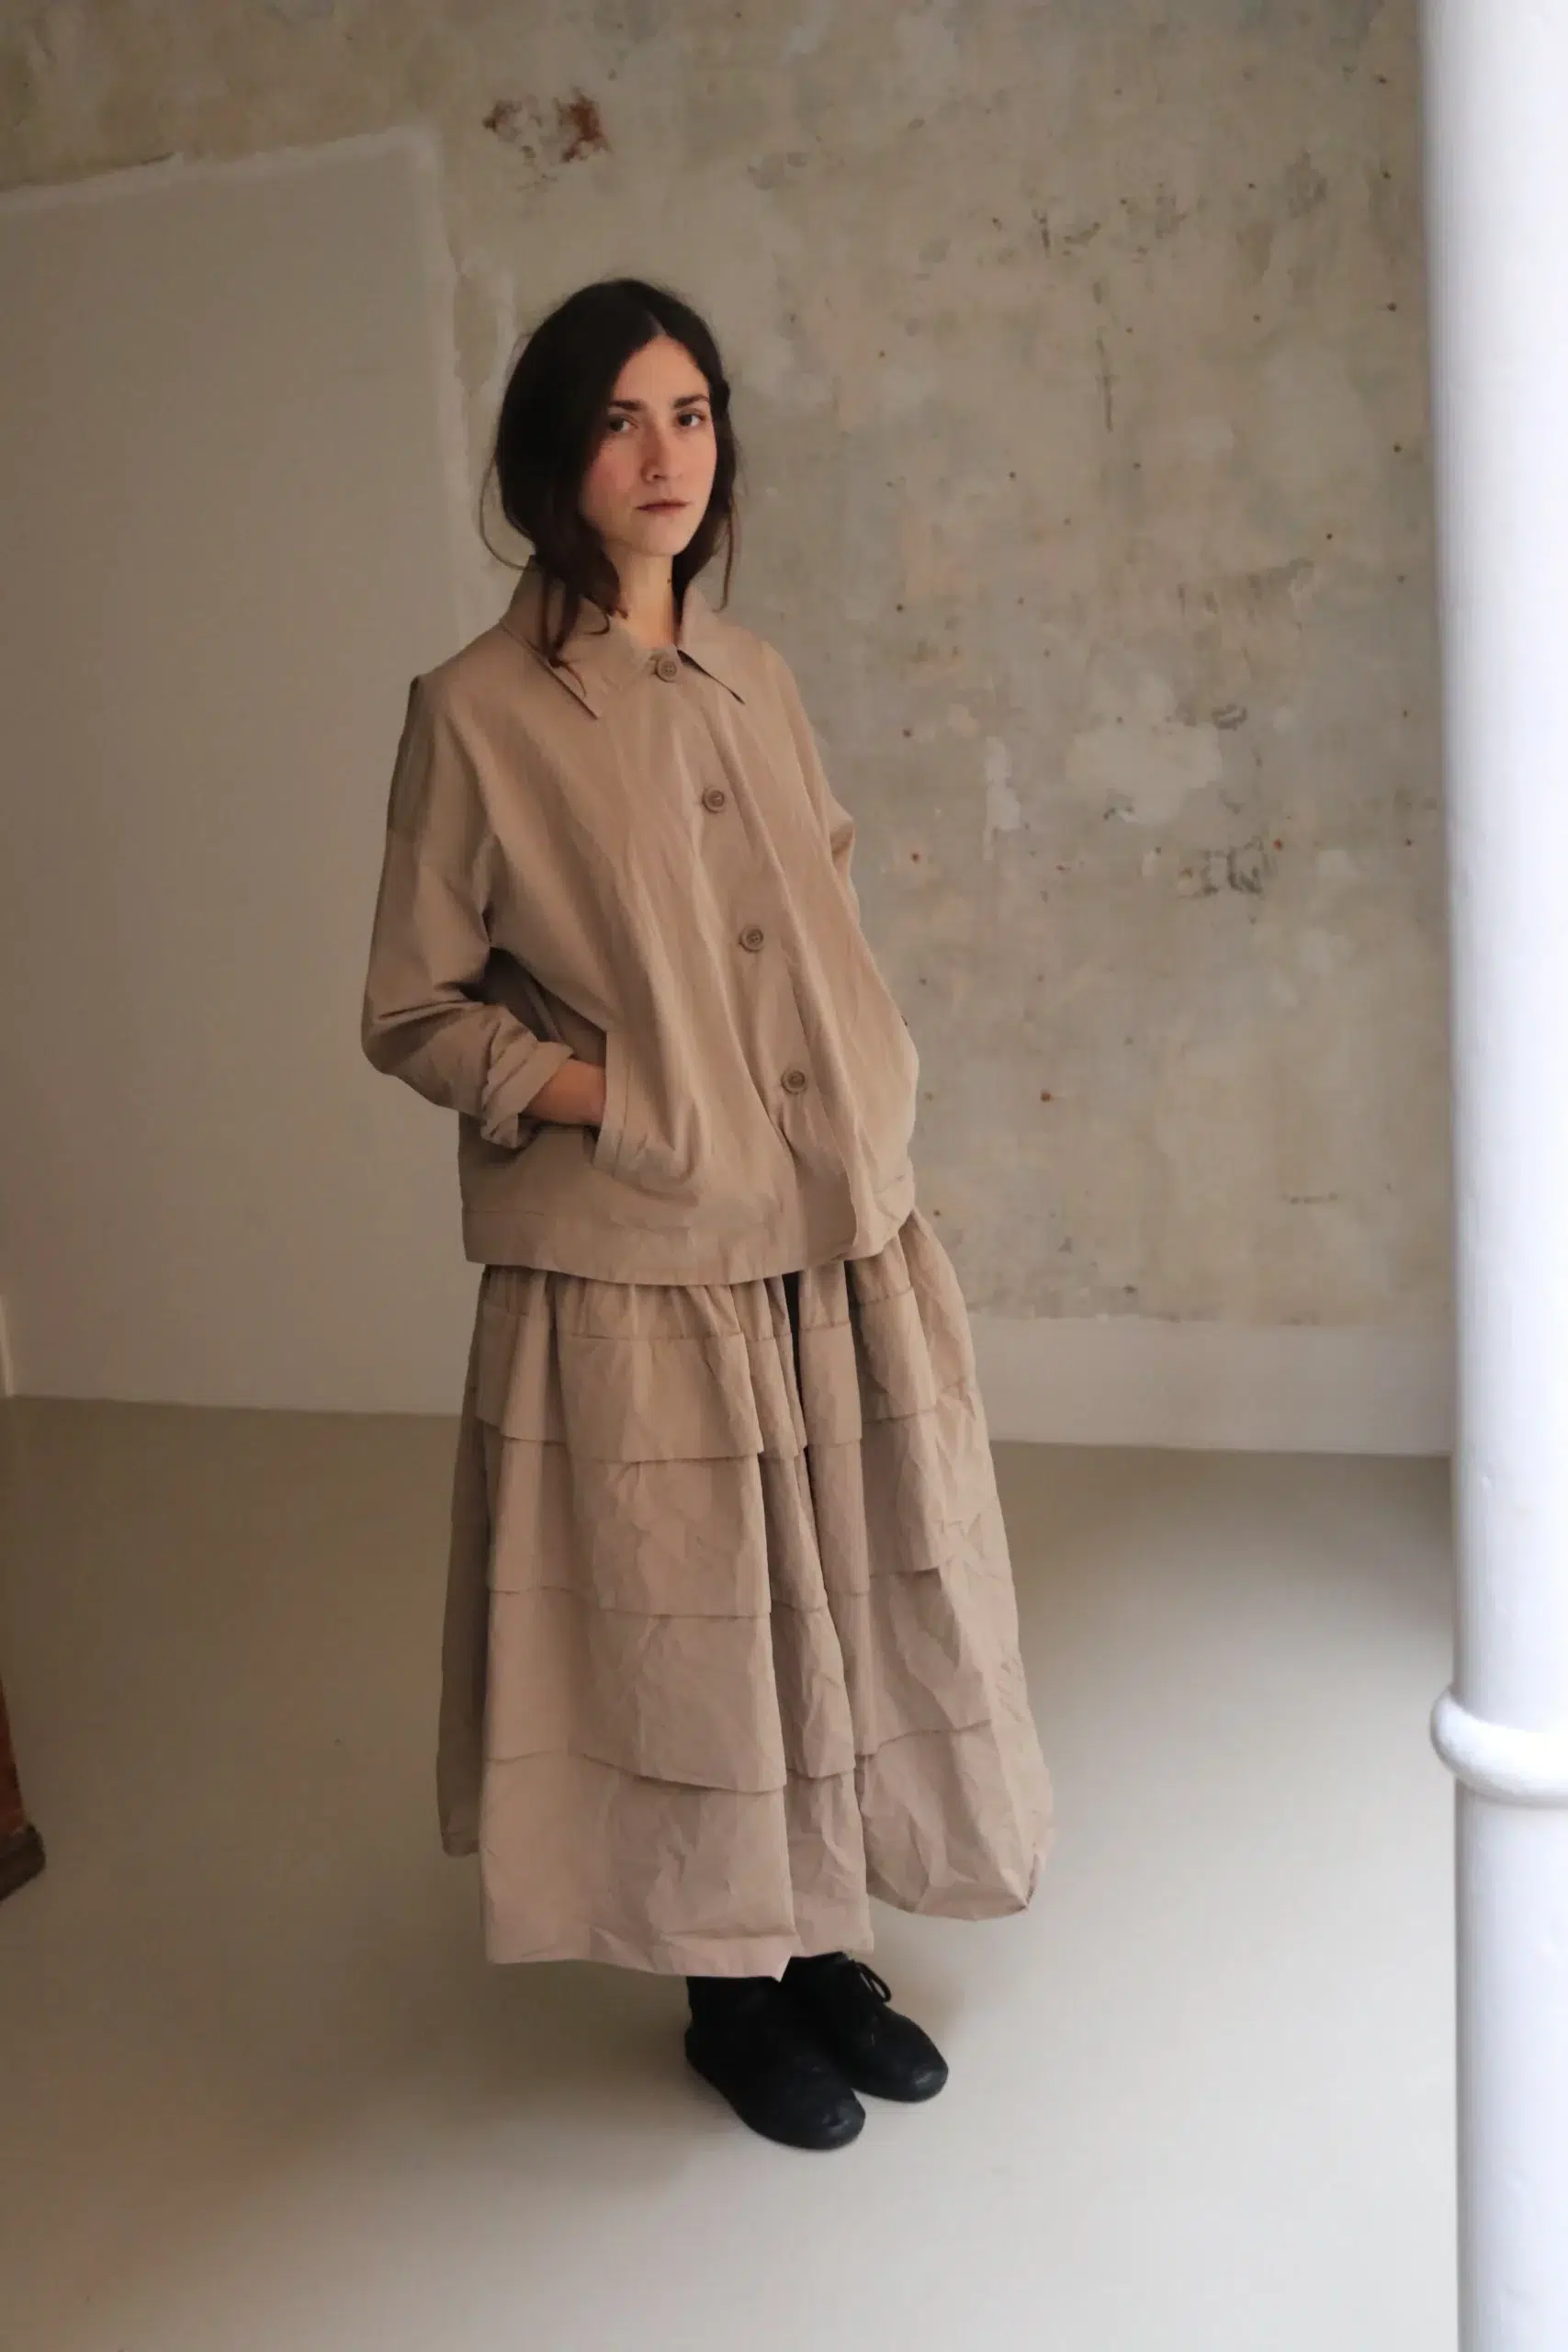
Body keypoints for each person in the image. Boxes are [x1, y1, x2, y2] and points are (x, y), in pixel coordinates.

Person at [359, 276, 1053, 2153]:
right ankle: (727, 1995)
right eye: (618, 419)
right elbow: (413, 1008)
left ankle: (820, 1941)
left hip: (831, 1226)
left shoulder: (757, 672)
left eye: (690, 412)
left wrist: (864, 1070)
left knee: (833, 1586)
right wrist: (629, 1096)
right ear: (553, 454)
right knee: (699, 1627)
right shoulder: (475, 711)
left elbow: (814, 897)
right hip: (646, 1254)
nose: (663, 455)